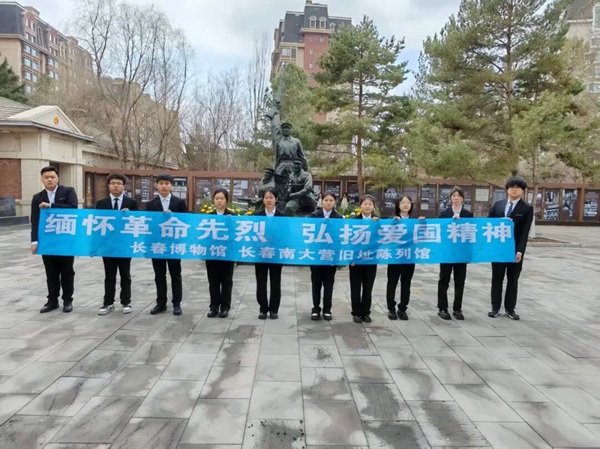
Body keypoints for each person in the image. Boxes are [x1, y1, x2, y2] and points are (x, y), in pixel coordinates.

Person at [30, 165, 78, 313]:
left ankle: (68, 300)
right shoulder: (37, 197)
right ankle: (52, 301)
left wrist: (51, 205)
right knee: (51, 272)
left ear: (58, 178)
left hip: (65, 240)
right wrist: (34, 241)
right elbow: (35, 220)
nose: (49, 179)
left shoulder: (68, 191)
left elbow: (73, 208)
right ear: (42, 179)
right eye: (46, 177)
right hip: (47, 241)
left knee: (67, 271)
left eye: (52, 177)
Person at [487, 174, 533, 320]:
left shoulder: (527, 208)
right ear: (507, 189)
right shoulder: (498, 205)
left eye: (518, 188)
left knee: (512, 280)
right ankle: (495, 307)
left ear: (523, 191)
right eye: (511, 187)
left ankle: (510, 309)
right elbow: (488, 225)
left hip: (514, 251)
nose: (514, 190)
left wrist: (520, 251)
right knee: (497, 279)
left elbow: (524, 233)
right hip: (499, 250)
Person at [95, 173, 139, 315]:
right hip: (107, 246)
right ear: (109, 185)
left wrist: (130, 215)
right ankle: (108, 303)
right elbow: (96, 225)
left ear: (123, 186)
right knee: (109, 275)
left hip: (124, 245)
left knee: (125, 274)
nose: (116, 186)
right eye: (113, 183)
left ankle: (126, 302)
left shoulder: (131, 203)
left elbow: (138, 222)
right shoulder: (101, 204)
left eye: (119, 183)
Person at [146, 173, 188, 316]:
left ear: (171, 185)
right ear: (156, 185)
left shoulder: (179, 202)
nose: (164, 186)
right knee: (159, 275)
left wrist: (173, 216)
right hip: (157, 245)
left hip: (173, 245)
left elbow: (185, 222)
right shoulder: (151, 204)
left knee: (175, 274)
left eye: (167, 183)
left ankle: (177, 303)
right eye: (161, 183)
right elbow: (148, 225)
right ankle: (161, 303)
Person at [437, 186, 473, 320]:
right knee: (444, 280)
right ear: (450, 198)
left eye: (458, 196)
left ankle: (457, 309)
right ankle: (442, 308)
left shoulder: (468, 215)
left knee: (460, 281)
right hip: (447, 253)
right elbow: (439, 232)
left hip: (461, 254)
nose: (456, 198)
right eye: (454, 196)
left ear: (462, 198)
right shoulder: (444, 214)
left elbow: (471, 236)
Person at [386, 194, 424, 321]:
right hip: (395, 257)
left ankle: (402, 308)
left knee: (406, 283)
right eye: (402, 202)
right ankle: (391, 308)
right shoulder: (392, 219)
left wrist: (423, 223)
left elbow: (423, 236)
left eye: (408, 202)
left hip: (409, 257)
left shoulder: (415, 221)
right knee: (392, 283)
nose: (405, 205)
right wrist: (392, 224)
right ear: (398, 205)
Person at [309, 191, 343, 321]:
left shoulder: (338, 218)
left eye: (331, 200)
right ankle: (315, 308)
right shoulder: (314, 216)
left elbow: (340, 238)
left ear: (335, 202)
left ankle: (327, 309)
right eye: (326, 200)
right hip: (317, 256)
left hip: (330, 256)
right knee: (316, 283)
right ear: (321, 201)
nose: (328, 203)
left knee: (329, 283)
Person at [254, 187, 284, 319]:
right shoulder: (257, 216)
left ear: (276, 199)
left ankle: (274, 309)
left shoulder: (282, 217)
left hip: (276, 254)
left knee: (275, 281)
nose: (269, 200)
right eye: (266, 197)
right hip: (260, 254)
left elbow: (286, 235)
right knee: (261, 281)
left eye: (271, 197)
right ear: (263, 200)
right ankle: (263, 308)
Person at [206, 188, 236, 318]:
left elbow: (237, 236)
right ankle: (213, 307)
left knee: (226, 281)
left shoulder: (233, 216)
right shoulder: (208, 217)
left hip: (227, 255)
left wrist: (232, 223)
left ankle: (225, 307)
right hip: (212, 254)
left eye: (222, 198)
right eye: (217, 198)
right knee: (213, 281)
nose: (219, 201)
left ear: (226, 200)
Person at [349, 195, 379, 323]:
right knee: (355, 287)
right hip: (356, 260)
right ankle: (356, 312)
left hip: (371, 260)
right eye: (365, 204)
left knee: (368, 288)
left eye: (370, 204)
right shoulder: (353, 221)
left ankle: (366, 312)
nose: (367, 206)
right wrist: (351, 258)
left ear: (373, 207)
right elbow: (349, 241)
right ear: (360, 206)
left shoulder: (377, 221)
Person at [265, 100, 308, 176]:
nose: (286, 130)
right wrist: (276, 109)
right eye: (284, 128)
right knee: (277, 178)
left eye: (288, 128)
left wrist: (306, 169)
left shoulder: (296, 141)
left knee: (292, 180)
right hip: (280, 165)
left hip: (292, 165)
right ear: (282, 130)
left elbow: (302, 156)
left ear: (290, 130)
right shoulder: (278, 141)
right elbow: (275, 126)